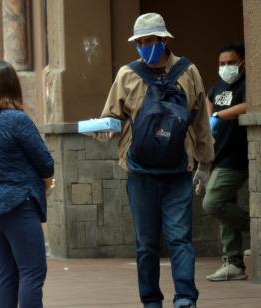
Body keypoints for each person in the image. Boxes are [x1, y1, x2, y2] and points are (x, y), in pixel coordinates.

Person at [95, 13, 213, 308]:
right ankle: (151, 301)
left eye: (151, 41)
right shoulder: (127, 75)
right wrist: (103, 131)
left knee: (180, 239)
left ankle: (185, 299)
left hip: (178, 172)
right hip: (140, 173)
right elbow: (110, 116)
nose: (146, 47)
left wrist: (206, 164)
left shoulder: (189, 72)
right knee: (146, 244)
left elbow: (201, 121)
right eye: (141, 42)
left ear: (165, 41)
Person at [0, 60, 54, 308]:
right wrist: (45, 180)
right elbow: (46, 163)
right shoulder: (16, 120)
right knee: (32, 272)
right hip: (19, 203)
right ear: (12, 85)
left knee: (8, 275)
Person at [202, 43, 249, 282]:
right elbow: (207, 110)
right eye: (222, 64)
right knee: (223, 210)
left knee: (213, 202)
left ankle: (255, 227)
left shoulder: (248, 84)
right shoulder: (217, 87)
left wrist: (219, 115)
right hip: (219, 155)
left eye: (231, 63)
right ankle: (233, 263)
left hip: (237, 156)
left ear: (242, 62)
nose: (226, 67)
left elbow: (251, 105)